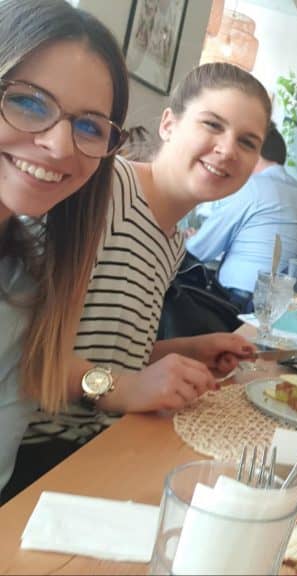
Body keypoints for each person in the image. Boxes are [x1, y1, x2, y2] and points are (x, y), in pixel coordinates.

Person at [5, 62, 271, 501]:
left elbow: (106, 353)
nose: (227, 149)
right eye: (212, 124)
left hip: (103, 441)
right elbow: (22, 351)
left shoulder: (173, 240)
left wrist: (189, 350)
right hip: (35, 454)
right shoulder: (105, 194)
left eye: (247, 142)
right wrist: (125, 388)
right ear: (169, 124)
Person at [0, 0, 129, 496]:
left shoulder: (24, 281)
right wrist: (116, 386)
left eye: (89, 126)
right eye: (28, 102)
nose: (59, 145)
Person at [186, 124, 297, 311]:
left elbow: (199, 251)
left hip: (240, 301)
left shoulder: (252, 187)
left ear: (253, 156)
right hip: (285, 305)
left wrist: (192, 238)